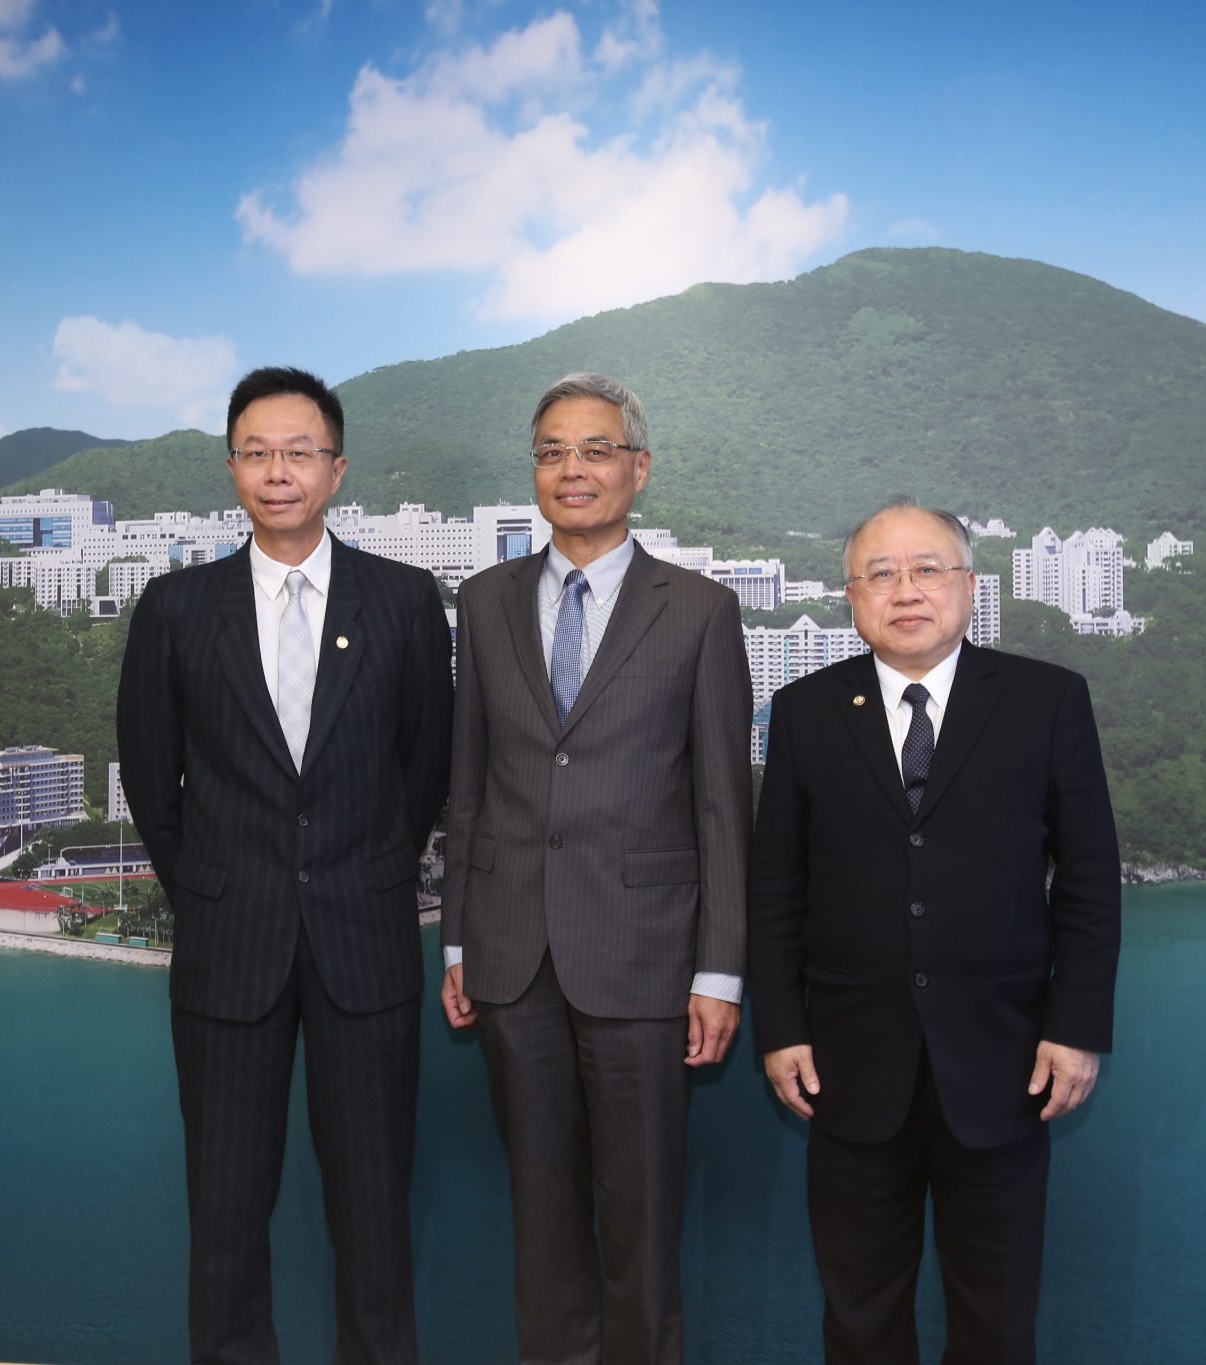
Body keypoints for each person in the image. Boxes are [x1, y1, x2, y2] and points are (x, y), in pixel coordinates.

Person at [115, 366, 453, 1365]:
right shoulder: (176, 609)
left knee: (375, 1224)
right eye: (256, 452)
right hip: (230, 950)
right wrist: (216, 892)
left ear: (336, 470)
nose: (277, 472)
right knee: (223, 1224)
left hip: (365, 945)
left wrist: (365, 872)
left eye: (298, 452)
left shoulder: (401, 600)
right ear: (231, 470)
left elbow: (423, 769)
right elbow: (149, 778)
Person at [747, 500, 1122, 1365]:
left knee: (994, 1323)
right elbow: (776, 885)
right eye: (880, 573)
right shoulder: (804, 709)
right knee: (861, 1318)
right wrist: (783, 1028)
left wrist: (1075, 1027)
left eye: (927, 570)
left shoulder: (1048, 699)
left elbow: (1091, 879)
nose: (904, 590)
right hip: (848, 1068)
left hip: (1005, 1063)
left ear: (969, 587)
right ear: (851, 596)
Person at [438, 373, 752, 1365]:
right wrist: (454, 938)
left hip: (646, 962)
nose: (571, 470)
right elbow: (468, 783)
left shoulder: (699, 611)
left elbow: (719, 804)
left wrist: (717, 970)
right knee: (540, 1212)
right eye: (550, 452)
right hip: (510, 960)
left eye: (594, 449)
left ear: (636, 468)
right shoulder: (483, 602)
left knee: (642, 1220)